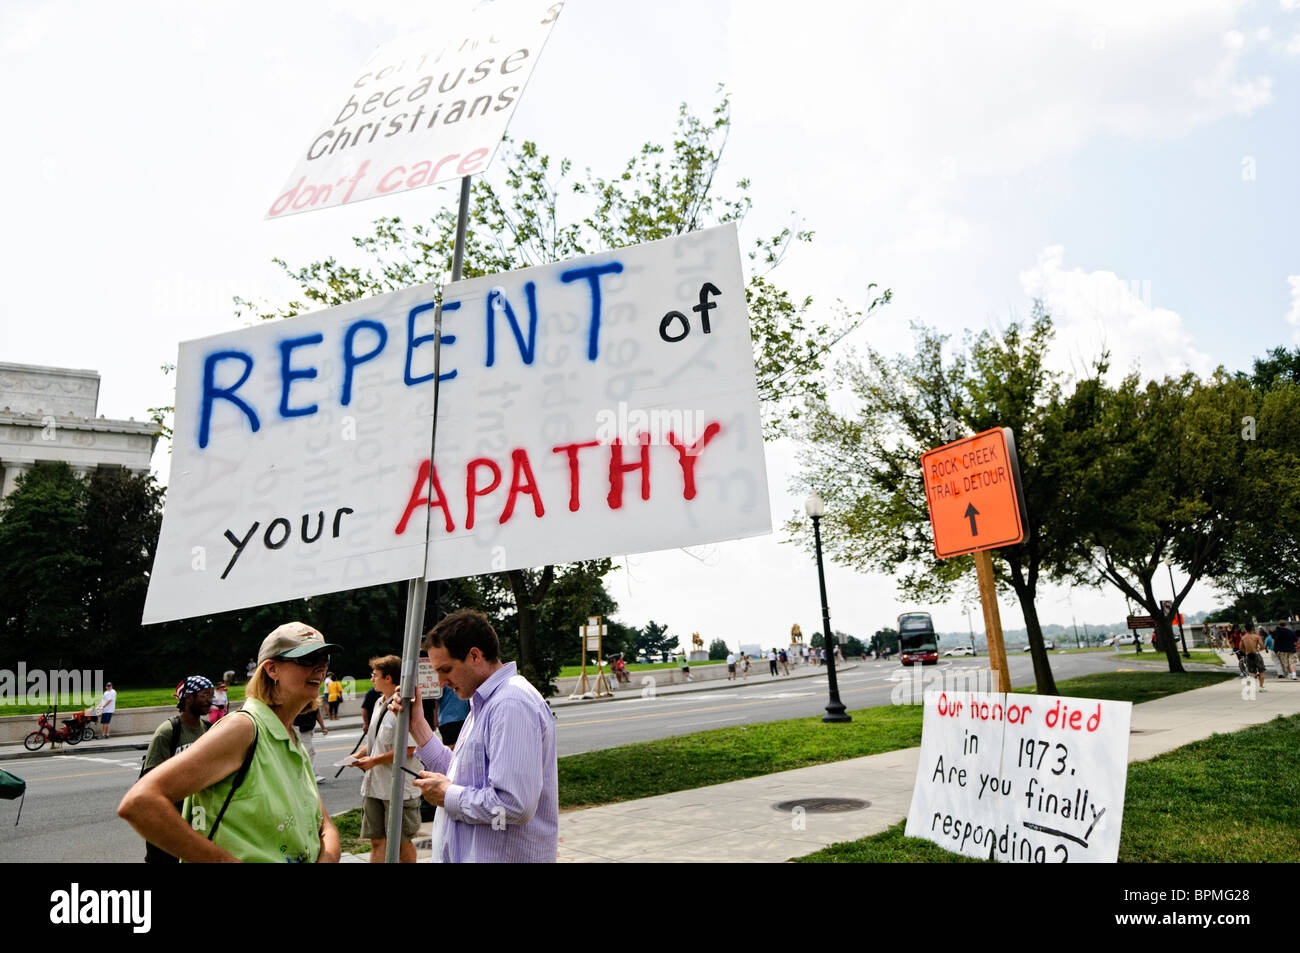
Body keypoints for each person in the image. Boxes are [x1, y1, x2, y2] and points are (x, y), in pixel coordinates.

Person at [118, 621, 341, 863]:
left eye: (324, 658)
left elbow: (324, 826)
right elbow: (141, 802)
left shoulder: (291, 737)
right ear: (272, 669)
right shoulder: (244, 728)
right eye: (307, 659)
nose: (320, 667)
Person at [394, 609, 557, 862]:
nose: (440, 682)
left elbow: (514, 804)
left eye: (445, 669)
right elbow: (462, 776)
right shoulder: (485, 703)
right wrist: (418, 726)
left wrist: (447, 795)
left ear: (474, 655)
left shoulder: (510, 703)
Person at [351, 655, 422, 863]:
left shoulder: (405, 706)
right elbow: (376, 741)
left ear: (389, 678)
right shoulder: (379, 703)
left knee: (401, 843)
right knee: (376, 840)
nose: (372, 679)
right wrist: (359, 755)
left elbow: (410, 747)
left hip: (398, 789)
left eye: (375, 676)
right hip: (375, 786)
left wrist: (374, 761)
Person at [140, 676, 214, 864]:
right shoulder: (168, 731)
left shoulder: (210, 730)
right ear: (188, 698)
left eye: (211, 695)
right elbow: (150, 778)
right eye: (205, 695)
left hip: (197, 818)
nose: (210, 700)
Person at [292, 696, 328, 783]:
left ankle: (303, 774)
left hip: (308, 728)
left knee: (304, 751)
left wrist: (323, 727)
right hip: (299, 727)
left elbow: (317, 714)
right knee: (309, 751)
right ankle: (313, 775)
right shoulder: (297, 699)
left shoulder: (313, 699)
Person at [1240, 626, 1267, 693]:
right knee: (1261, 671)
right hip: (1256, 655)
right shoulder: (1256, 637)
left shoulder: (1243, 638)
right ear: (1252, 629)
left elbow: (1240, 648)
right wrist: (1258, 649)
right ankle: (1261, 687)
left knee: (1252, 672)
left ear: (1246, 630)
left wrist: (1246, 652)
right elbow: (1262, 646)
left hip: (1248, 655)